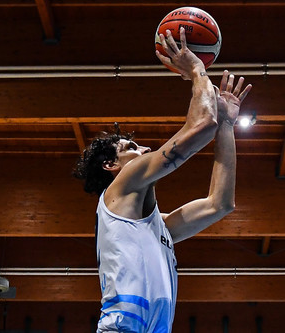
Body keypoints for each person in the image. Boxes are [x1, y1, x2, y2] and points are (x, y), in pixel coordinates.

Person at [73, 26, 251, 333]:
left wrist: (226, 125)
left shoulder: (160, 228)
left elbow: (220, 204)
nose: (144, 149)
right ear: (110, 166)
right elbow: (200, 126)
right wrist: (197, 70)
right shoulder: (123, 182)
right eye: (130, 148)